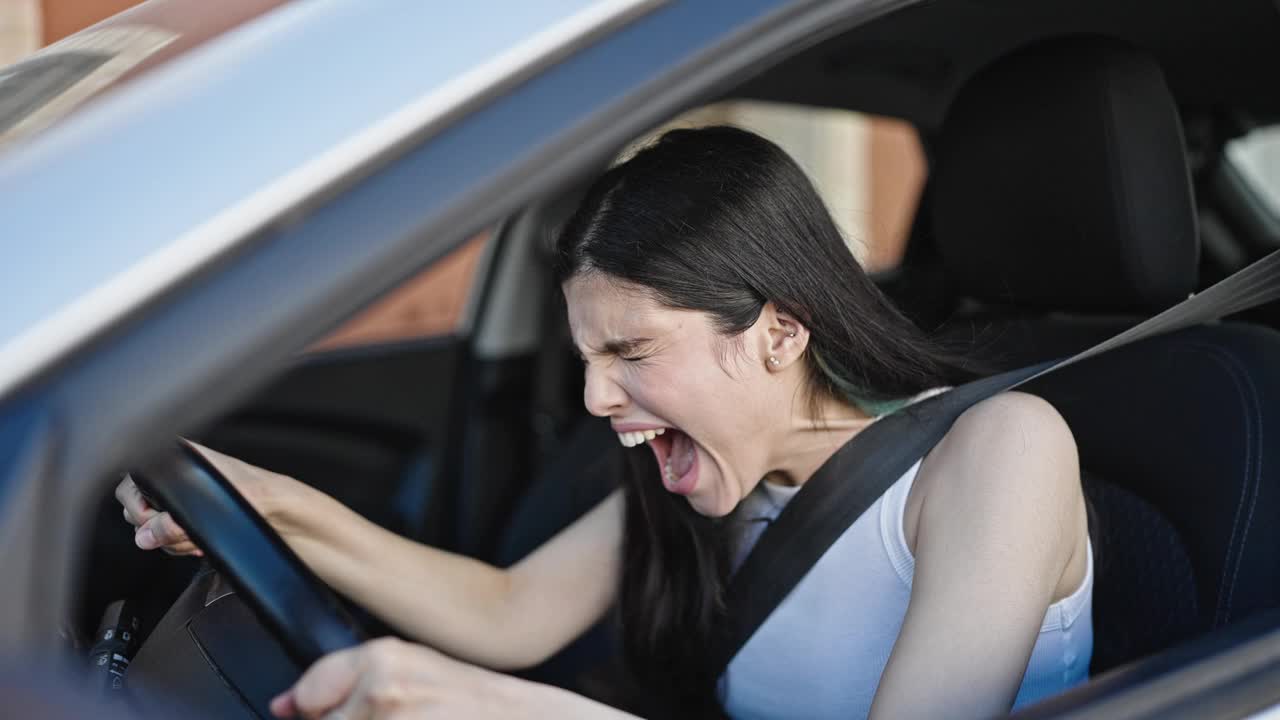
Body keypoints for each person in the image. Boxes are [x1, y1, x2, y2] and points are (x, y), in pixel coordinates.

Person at [118, 126, 1092, 720]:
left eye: (629, 354)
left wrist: (504, 711)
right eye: (587, 359)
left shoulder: (1001, 451)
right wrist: (266, 503)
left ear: (776, 333)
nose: (593, 399)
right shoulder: (715, 477)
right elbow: (505, 613)